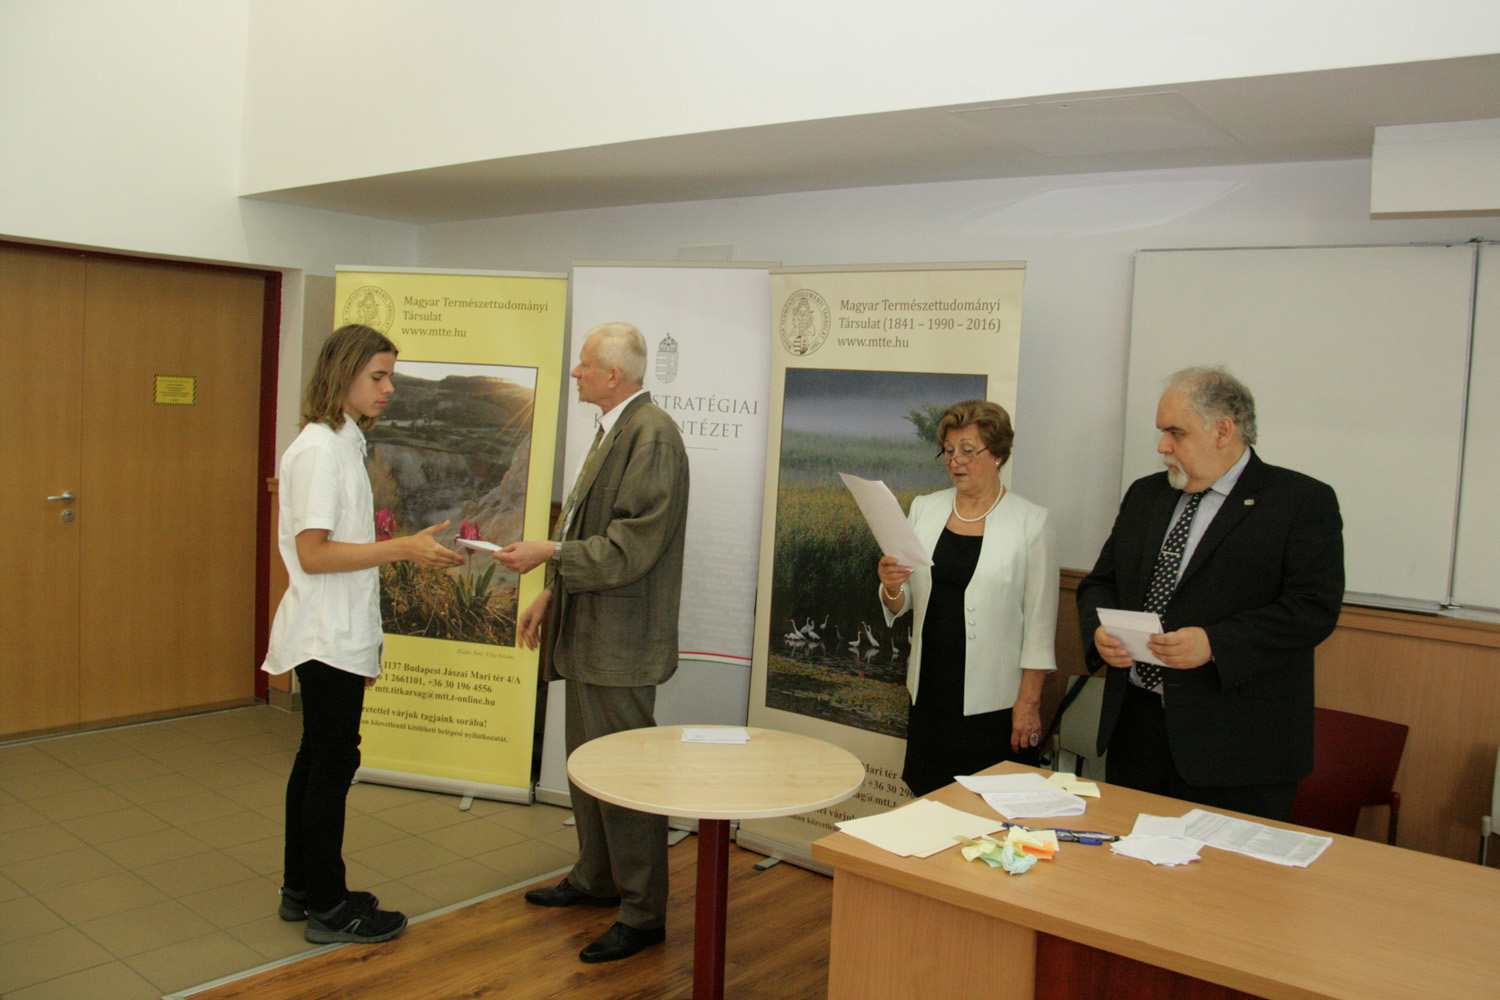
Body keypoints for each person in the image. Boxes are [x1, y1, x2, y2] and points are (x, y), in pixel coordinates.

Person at [263, 323, 465, 944]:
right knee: (329, 768)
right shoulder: (320, 451)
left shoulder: (342, 443)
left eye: (390, 377)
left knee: (319, 760)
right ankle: (329, 906)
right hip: (326, 634)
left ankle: (303, 888)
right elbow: (315, 554)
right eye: (378, 376)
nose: (389, 389)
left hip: (338, 632)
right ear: (343, 373)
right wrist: (402, 548)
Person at [495, 321, 689, 964]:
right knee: (588, 767)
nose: (574, 373)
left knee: (626, 778)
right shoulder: (617, 428)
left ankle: (642, 914)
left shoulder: (652, 435)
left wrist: (551, 554)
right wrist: (552, 591)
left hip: (620, 643)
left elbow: (632, 545)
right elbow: (590, 528)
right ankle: (597, 879)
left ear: (613, 375)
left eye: (583, 364)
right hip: (589, 632)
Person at [1076, 366, 1344, 821]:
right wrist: (1100, 632)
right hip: (1137, 732)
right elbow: (1100, 582)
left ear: (1223, 430)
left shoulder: (1299, 501)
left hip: (1237, 748)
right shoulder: (1146, 495)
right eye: (1162, 432)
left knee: (1226, 869)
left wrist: (1215, 643)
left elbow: (1313, 609)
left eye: (1175, 432)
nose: (1162, 446)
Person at [877, 399, 1058, 797]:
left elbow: (1040, 627)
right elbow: (903, 601)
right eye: (949, 450)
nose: (955, 460)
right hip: (931, 689)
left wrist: (1028, 704)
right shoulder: (925, 508)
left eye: (968, 450)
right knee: (929, 801)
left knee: (988, 809)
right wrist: (891, 586)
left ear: (998, 454)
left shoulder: (1031, 521)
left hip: (995, 702)